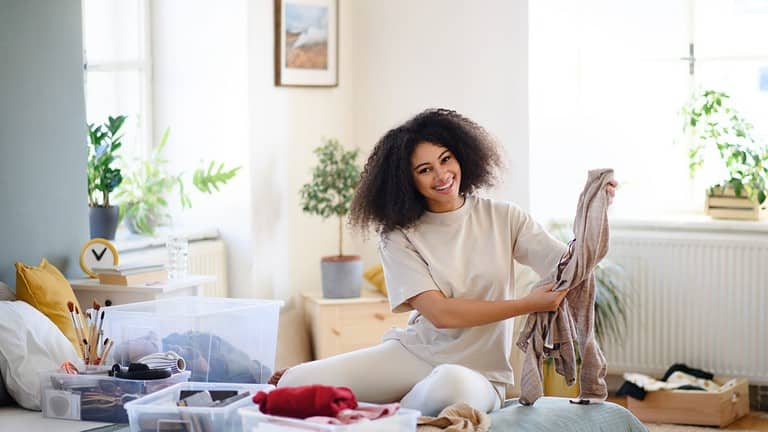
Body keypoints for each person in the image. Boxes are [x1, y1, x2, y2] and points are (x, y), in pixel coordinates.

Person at [275, 109, 617, 416]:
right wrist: (527, 304)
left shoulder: (503, 217)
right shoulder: (398, 236)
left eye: (446, 159)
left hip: (479, 374)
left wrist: (597, 212)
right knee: (295, 381)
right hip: (416, 354)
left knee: (449, 387)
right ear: (407, 182)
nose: (441, 175)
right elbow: (441, 314)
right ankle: (392, 403)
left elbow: (569, 267)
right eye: (425, 170)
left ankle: (388, 412)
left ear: (463, 156)